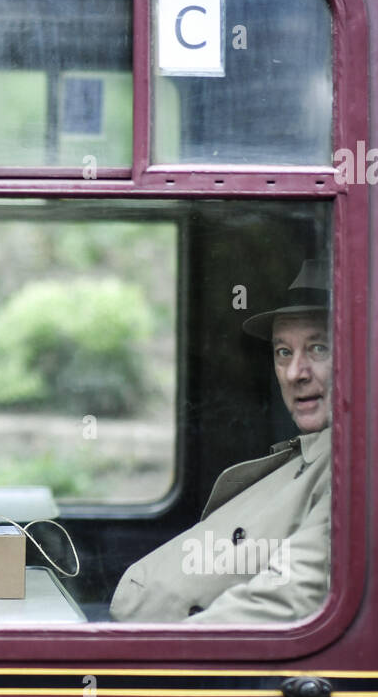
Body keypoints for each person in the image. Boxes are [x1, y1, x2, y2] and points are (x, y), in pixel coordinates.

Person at [110, 260, 333, 624]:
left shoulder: (354, 468)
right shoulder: (307, 453)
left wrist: (153, 654)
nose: (296, 373)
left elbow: (288, 598)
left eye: (318, 348)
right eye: (283, 352)